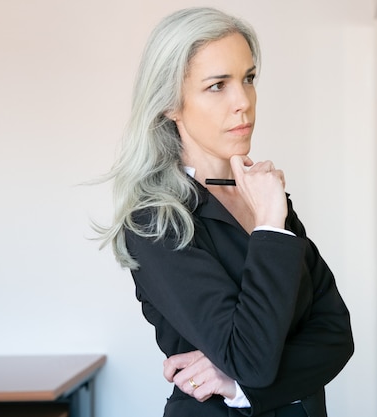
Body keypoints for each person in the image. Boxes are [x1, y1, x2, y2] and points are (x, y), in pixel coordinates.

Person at [96, 7, 354, 417]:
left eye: (248, 79)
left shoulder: (265, 196)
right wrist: (270, 226)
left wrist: (237, 384)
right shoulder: (156, 222)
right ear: (170, 104)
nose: (243, 103)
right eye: (217, 85)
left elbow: (337, 335)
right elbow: (251, 357)